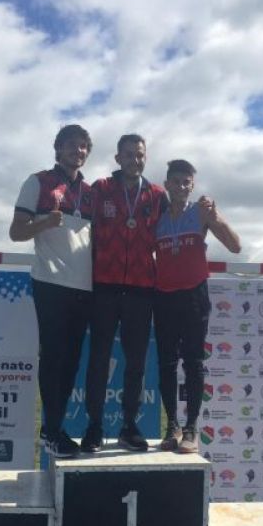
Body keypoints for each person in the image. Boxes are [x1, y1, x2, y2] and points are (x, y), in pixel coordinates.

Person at [9, 124, 93, 458]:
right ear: (57, 149)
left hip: (84, 287)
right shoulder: (38, 181)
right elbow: (16, 232)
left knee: (71, 362)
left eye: (84, 147)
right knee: (54, 358)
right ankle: (52, 430)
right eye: (72, 145)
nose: (79, 151)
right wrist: (44, 223)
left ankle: (55, 429)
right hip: (50, 282)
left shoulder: (91, 191)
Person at [81, 134, 168, 453]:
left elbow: (171, 232)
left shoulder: (158, 195)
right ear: (118, 158)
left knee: (136, 363)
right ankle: (94, 427)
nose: (135, 159)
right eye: (129, 154)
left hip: (142, 289)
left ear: (146, 157)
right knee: (99, 360)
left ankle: (129, 426)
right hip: (104, 286)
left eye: (140, 154)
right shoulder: (100, 188)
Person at [154, 159, 241, 454]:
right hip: (164, 296)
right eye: (176, 181)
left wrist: (217, 219)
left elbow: (235, 246)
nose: (181, 186)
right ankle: (172, 426)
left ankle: (191, 428)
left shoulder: (201, 212)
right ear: (166, 184)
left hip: (194, 295)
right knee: (166, 363)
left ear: (192, 185)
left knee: (193, 362)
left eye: (186, 182)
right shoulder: (158, 217)